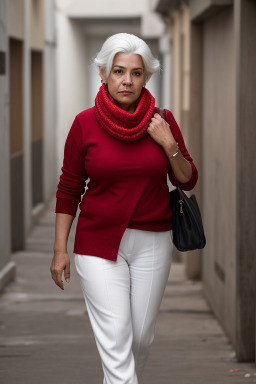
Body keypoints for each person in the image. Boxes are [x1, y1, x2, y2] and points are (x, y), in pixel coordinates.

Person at [50, 33, 198, 384]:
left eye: (135, 73)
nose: (126, 80)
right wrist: (60, 249)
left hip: (153, 240)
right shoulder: (84, 124)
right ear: (103, 73)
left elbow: (188, 180)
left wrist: (169, 143)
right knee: (117, 338)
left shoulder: (162, 121)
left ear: (146, 77)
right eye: (118, 71)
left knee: (140, 339)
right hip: (97, 244)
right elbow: (69, 187)